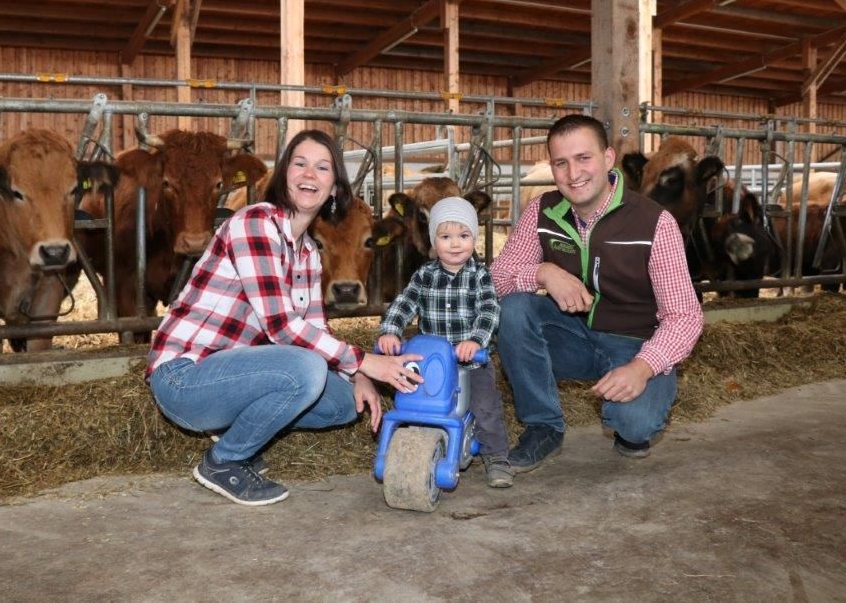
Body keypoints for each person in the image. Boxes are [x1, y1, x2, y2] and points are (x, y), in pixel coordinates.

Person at [147, 129, 424, 507]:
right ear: (283, 175)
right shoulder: (256, 224)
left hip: (235, 376)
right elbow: (283, 328)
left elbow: (313, 327)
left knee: (343, 403)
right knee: (306, 370)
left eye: (323, 168)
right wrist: (368, 361)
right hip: (184, 378)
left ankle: (234, 428)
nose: (310, 175)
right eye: (300, 164)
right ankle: (224, 460)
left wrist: (357, 375)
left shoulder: (308, 251)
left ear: (334, 188)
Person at [491, 113, 703, 472]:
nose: (573, 174)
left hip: (633, 344)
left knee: (635, 424)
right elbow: (497, 278)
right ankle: (543, 425)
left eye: (583, 158)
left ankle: (628, 424)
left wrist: (642, 367)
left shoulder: (654, 222)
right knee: (512, 308)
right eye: (561, 163)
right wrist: (543, 272)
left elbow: (685, 316)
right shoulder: (540, 212)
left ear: (607, 159)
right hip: (571, 337)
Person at [377, 196, 513, 488]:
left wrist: (476, 341)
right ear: (432, 241)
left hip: (469, 363)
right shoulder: (424, 276)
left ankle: (497, 456)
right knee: (413, 401)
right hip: (433, 363)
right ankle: (410, 446)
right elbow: (404, 303)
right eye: (445, 236)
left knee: (486, 406)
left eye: (463, 236)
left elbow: (490, 310)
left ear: (474, 239)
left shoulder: (480, 276)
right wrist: (390, 330)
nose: (455, 244)